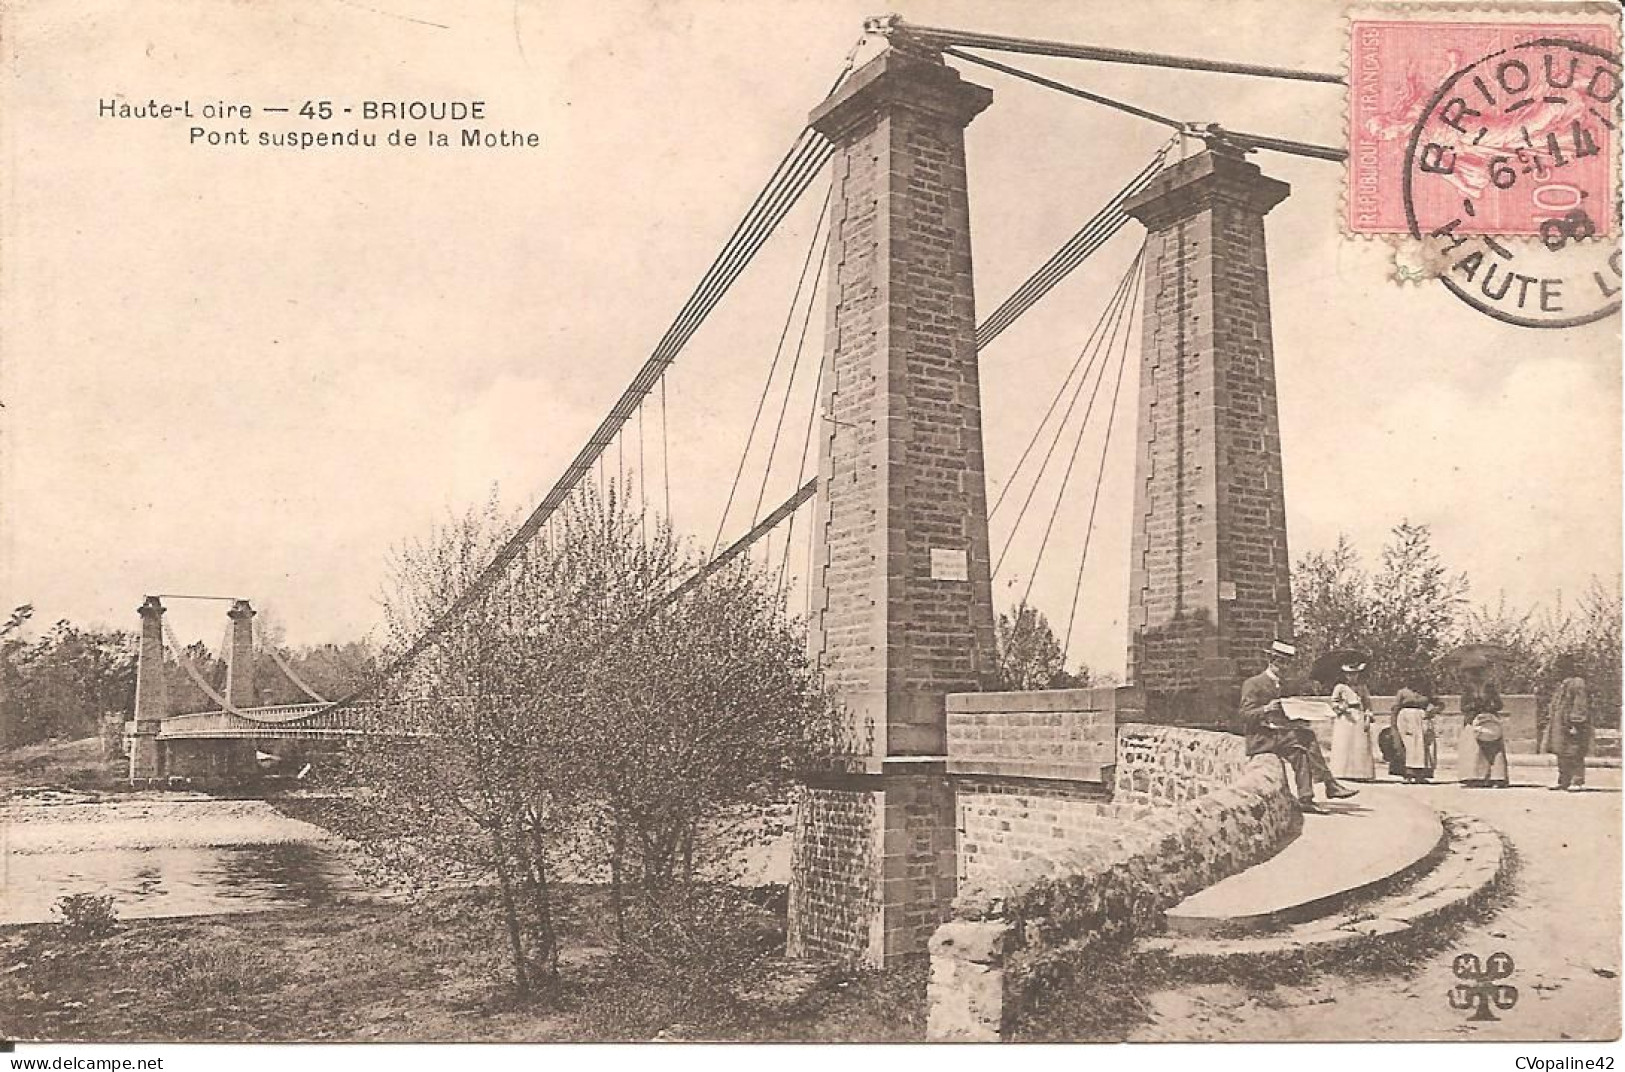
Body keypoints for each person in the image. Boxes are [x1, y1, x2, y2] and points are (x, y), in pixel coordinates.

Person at [1241, 640, 1359, 814]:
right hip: (1262, 738)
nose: (1283, 667)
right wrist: (1266, 709)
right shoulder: (1254, 683)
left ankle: (1306, 798)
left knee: (1301, 751)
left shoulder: (1286, 685)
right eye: (1279, 662)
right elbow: (1245, 715)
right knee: (1306, 738)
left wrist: (1300, 716)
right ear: (1271, 660)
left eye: (1287, 663)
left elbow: (1289, 711)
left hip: (1280, 735)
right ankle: (1329, 784)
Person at [1541, 667, 1592, 791]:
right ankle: (1563, 780)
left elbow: (1580, 704)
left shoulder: (1577, 683)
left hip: (1571, 723)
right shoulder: (1563, 683)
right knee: (1561, 752)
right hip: (1559, 723)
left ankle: (1576, 780)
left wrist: (1576, 722)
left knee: (1574, 751)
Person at [1457, 665, 1509, 788]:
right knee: (1478, 750)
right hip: (1476, 720)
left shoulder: (1488, 688)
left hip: (1486, 720)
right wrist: (1475, 707)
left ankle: (1492, 777)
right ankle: (1481, 776)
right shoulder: (1469, 689)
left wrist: (1486, 708)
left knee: (1488, 749)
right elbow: (1464, 707)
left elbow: (1498, 705)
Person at [1328, 661, 1376, 781]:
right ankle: (1342, 771)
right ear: (1345, 675)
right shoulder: (1340, 687)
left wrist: (1368, 716)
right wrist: (1340, 708)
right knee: (1344, 743)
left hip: (1358, 715)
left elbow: (1367, 704)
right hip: (1345, 717)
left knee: (1360, 744)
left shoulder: (1362, 687)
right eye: (1349, 674)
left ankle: (1360, 773)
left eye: (1355, 674)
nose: (1352, 677)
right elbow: (1333, 702)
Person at [1392, 685, 1440, 783]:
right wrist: (1393, 724)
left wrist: (1433, 711)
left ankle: (1421, 775)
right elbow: (1395, 708)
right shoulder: (1402, 692)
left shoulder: (1427, 691)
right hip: (1406, 720)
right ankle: (1408, 774)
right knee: (1408, 745)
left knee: (1423, 746)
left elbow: (1440, 704)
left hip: (1422, 719)